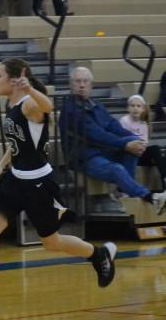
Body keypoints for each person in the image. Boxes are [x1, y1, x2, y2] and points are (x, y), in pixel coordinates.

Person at [0, 59, 118, 315]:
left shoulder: (30, 104)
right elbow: (17, 142)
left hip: (38, 183)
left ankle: (98, 255)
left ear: (14, 80)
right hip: (15, 179)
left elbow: (48, 106)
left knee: (51, 242)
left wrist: (30, 89)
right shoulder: (11, 105)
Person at [60, 66, 166, 212]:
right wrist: (126, 144)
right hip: (83, 157)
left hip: (101, 151)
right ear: (71, 85)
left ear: (91, 85)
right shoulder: (70, 109)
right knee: (117, 168)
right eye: (78, 81)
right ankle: (151, 197)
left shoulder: (96, 106)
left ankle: (122, 192)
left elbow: (113, 125)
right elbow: (96, 134)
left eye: (85, 81)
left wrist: (135, 139)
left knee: (132, 146)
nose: (82, 85)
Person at [119, 94, 166, 188]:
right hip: (128, 154)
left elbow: (144, 143)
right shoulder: (124, 121)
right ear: (128, 108)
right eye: (132, 106)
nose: (135, 108)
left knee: (160, 156)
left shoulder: (144, 124)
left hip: (140, 153)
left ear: (143, 109)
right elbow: (123, 141)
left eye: (138, 106)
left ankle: (164, 183)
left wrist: (140, 148)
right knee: (153, 150)